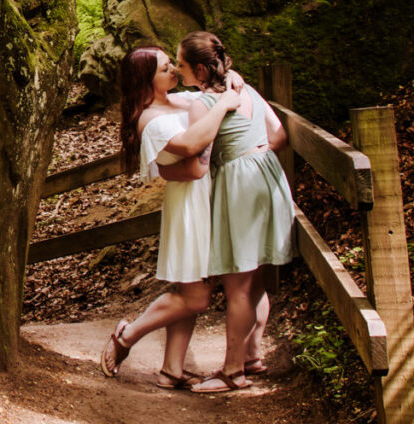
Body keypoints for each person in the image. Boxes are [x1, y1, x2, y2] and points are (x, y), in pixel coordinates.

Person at [100, 45, 240, 387]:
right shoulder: (149, 119)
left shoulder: (179, 99)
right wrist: (223, 105)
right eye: (165, 68)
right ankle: (127, 337)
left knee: (193, 286)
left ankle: (171, 370)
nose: (174, 72)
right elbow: (193, 146)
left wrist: (228, 82)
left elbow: (215, 94)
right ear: (146, 79)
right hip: (190, 206)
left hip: (206, 195)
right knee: (196, 296)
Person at [176, 31, 295, 393]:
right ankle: (252, 355)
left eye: (180, 65)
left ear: (198, 68)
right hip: (267, 175)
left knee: (237, 285)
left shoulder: (204, 103)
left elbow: (200, 154)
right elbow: (278, 135)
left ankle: (232, 371)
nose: (178, 72)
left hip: (239, 184)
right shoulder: (248, 91)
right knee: (255, 276)